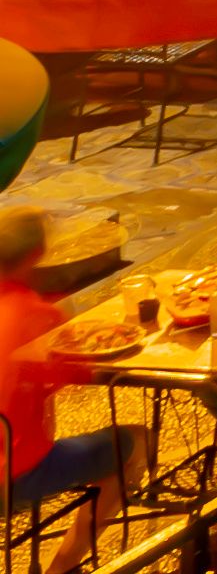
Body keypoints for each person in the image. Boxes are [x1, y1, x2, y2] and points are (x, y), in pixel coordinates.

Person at [0, 208, 118, 531]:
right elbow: (83, 373)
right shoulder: (34, 315)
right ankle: (62, 567)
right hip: (14, 475)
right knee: (133, 445)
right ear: (37, 255)